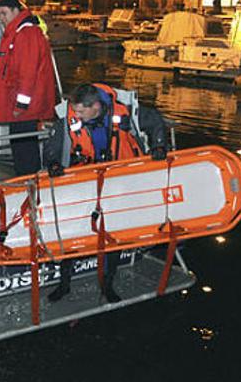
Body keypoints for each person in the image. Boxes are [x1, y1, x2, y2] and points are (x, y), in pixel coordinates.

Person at [43, 83, 169, 303]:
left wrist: (158, 146)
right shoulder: (69, 119)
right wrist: (53, 164)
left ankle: (107, 285)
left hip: (119, 181)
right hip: (84, 179)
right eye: (75, 110)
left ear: (96, 107)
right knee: (73, 233)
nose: (76, 114)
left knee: (113, 235)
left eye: (81, 111)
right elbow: (52, 146)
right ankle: (64, 284)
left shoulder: (125, 113)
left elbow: (155, 121)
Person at [0, 0, 57, 176]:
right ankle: (27, 182)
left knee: (24, 150)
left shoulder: (26, 34)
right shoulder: (21, 33)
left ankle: (28, 184)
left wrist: (20, 106)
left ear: (15, 11)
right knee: (22, 147)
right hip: (22, 106)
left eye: (4, 13)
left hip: (24, 109)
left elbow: (27, 74)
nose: (2, 19)